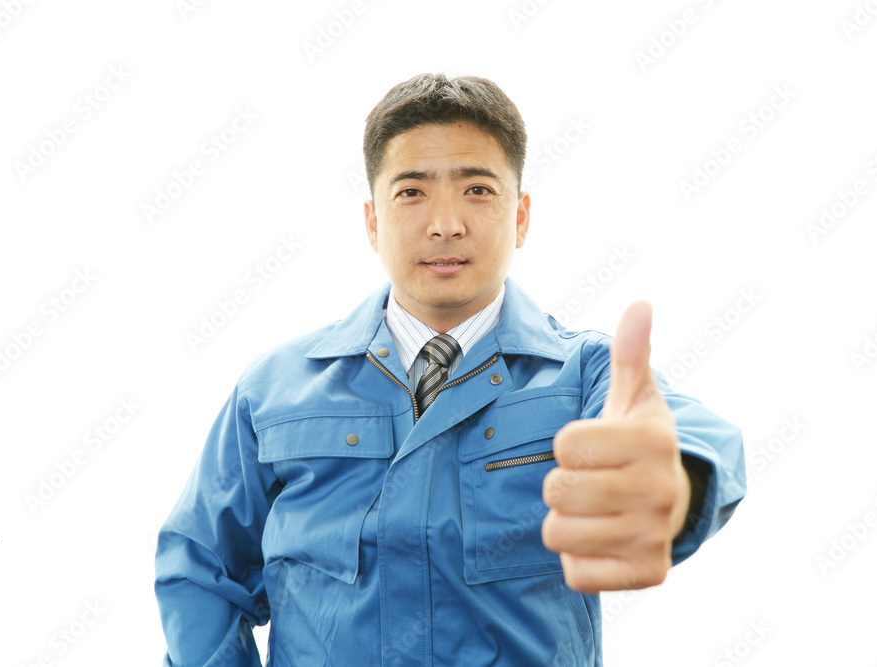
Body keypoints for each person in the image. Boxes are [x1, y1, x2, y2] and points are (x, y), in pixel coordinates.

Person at [154, 72, 746, 667]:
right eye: (412, 191)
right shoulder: (274, 389)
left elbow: (687, 436)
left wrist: (674, 485)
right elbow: (201, 568)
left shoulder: (585, 374)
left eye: (478, 190)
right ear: (372, 221)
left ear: (521, 216)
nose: (445, 224)